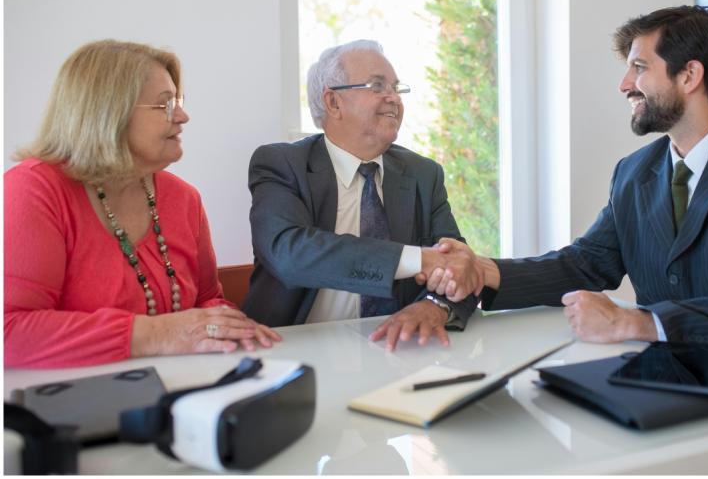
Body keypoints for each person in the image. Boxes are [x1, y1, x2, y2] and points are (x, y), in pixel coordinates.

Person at [425, 5, 708, 359]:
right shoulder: (635, 172)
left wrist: (633, 322)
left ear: (689, 76)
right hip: (677, 378)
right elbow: (586, 264)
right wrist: (481, 270)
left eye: (639, 68)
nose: (625, 84)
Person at [5, 40, 281, 369]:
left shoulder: (184, 198)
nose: (182, 116)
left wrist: (230, 327)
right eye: (164, 104)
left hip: (181, 391)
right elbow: (9, 332)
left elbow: (208, 300)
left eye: (178, 101)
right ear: (106, 112)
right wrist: (159, 334)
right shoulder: (33, 189)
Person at [244, 39, 479, 351]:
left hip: (397, 352)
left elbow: (461, 267)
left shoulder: (423, 174)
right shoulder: (282, 165)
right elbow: (291, 253)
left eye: (397, 88)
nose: (394, 98)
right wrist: (417, 260)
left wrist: (435, 306)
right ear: (333, 103)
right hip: (291, 351)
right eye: (377, 85)